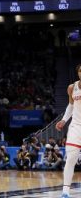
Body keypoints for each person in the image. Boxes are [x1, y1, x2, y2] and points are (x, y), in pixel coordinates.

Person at [55, 64, 81, 197]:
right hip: (76, 126)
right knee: (71, 159)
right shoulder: (72, 88)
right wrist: (64, 120)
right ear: (78, 73)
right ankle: (65, 192)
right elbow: (71, 106)